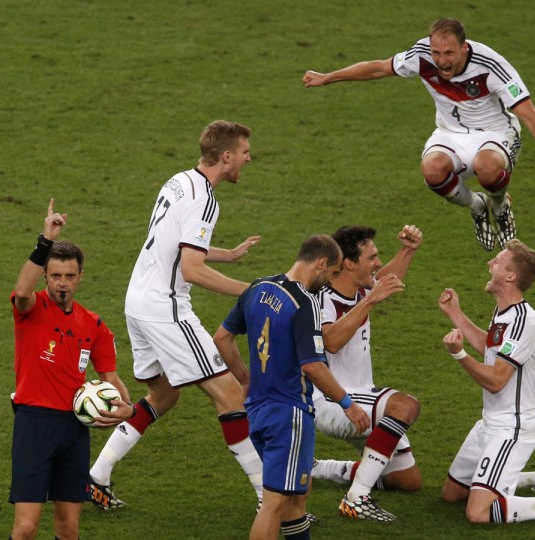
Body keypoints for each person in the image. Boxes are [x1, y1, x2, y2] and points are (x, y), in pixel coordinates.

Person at [88, 120, 264, 511]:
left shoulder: (179, 180)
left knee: (163, 395)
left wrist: (228, 254)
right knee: (232, 394)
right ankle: (268, 499)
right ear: (227, 156)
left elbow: (177, 242)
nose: (249, 159)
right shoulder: (205, 199)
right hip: (165, 307)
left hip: (137, 300)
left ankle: (95, 476)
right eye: (246, 152)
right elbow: (191, 270)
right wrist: (252, 290)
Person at [303, 17, 535, 252]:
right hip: (450, 132)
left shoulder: (492, 66)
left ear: (464, 48)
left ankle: (500, 205)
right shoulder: (421, 56)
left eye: (449, 53)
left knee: (486, 167)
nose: (442, 61)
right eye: (437, 52)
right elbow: (379, 68)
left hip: (496, 132)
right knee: (431, 170)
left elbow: (531, 116)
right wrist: (327, 77)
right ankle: (478, 206)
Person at [213, 234, 370, 540]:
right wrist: (347, 404)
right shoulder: (304, 302)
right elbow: (312, 365)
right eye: (333, 273)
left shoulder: (257, 288)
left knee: (296, 499)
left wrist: (245, 378)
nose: (330, 281)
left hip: (257, 411)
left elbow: (222, 338)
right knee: (274, 504)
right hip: (288, 414)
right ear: (321, 263)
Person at [437, 239, 535, 528]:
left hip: (512, 428)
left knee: (478, 512)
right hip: (490, 423)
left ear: (510, 277)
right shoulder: (505, 312)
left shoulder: (524, 321)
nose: (489, 263)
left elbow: (496, 380)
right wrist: (455, 315)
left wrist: (458, 354)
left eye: (497, 261)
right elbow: (491, 347)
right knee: (452, 494)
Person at [10, 199, 134, 540]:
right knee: (25, 527)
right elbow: (22, 291)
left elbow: (111, 377)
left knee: (68, 528)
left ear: (79, 277)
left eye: (68, 276)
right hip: (34, 424)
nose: (61, 283)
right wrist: (44, 241)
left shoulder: (93, 324)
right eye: (55, 276)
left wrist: (128, 407)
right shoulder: (31, 310)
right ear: (46, 276)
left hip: (74, 429)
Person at [310, 225, 424, 523]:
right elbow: (331, 341)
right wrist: (370, 300)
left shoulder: (358, 288)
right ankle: (356, 498)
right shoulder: (322, 298)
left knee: (407, 480)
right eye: (372, 257)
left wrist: (408, 250)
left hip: (363, 397)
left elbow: (385, 280)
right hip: (334, 402)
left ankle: (322, 469)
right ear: (348, 263)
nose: (377, 263)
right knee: (405, 405)